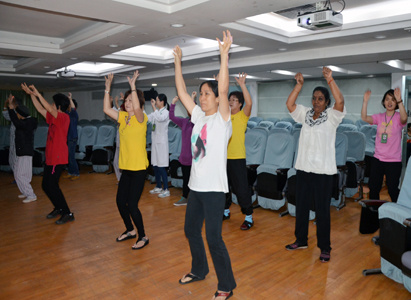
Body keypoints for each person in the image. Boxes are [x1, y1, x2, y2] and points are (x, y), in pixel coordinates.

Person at [173, 30, 236, 300]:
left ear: (218, 99)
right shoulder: (198, 116)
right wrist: (178, 62)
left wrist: (224, 55)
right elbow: (180, 91)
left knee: (214, 239)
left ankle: (226, 286)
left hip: (213, 190)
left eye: (207, 93)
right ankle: (199, 269)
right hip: (196, 187)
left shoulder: (223, 120)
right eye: (201, 94)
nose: (202, 97)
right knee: (190, 231)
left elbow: (223, 88)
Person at [285, 67, 345, 263]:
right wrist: (298, 86)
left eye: (320, 99)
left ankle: (325, 247)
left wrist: (330, 80)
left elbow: (341, 101)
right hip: (303, 168)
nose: (316, 101)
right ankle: (301, 240)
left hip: (323, 172)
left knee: (322, 212)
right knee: (301, 207)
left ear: (326, 102)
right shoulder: (305, 114)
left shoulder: (332, 117)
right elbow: (290, 104)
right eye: (314, 98)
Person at [103, 71, 150, 250]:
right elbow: (107, 110)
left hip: (138, 169)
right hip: (126, 168)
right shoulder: (123, 117)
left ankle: (143, 236)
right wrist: (107, 89)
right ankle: (130, 230)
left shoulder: (141, 118)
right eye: (127, 100)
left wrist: (133, 87)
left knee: (132, 204)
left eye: (131, 100)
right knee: (120, 202)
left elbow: (138, 109)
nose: (127, 103)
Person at [22, 83, 74, 224]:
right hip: (50, 157)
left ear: (57, 106)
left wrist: (38, 93)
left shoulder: (64, 118)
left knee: (52, 185)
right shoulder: (53, 117)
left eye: (52, 103)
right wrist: (32, 95)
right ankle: (58, 208)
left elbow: (48, 108)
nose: (50, 104)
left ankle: (67, 212)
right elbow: (40, 108)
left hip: (58, 157)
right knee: (46, 185)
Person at [361, 88, 407, 202]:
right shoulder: (379, 117)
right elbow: (364, 118)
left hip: (394, 161)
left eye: (392, 100)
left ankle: (398, 214)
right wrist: (365, 102)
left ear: (396, 103)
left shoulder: (398, 117)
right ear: (383, 102)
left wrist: (400, 101)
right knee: (374, 189)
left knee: (392, 190)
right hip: (378, 159)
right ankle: (374, 216)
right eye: (387, 99)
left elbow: (404, 118)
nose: (389, 102)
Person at [223, 72, 254, 230]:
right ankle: (226, 210)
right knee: (224, 188)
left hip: (237, 158)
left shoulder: (242, 117)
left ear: (239, 104)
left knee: (241, 189)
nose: (230, 102)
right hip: (223, 158)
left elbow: (249, 103)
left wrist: (242, 85)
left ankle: (248, 216)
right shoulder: (225, 117)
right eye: (229, 100)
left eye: (234, 100)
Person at [7, 100, 38, 203]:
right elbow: (17, 121)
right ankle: (25, 192)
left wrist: (11, 109)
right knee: (20, 173)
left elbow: (16, 122)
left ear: (21, 115)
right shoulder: (28, 121)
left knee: (20, 175)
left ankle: (31, 194)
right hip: (23, 152)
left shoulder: (26, 123)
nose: (16, 115)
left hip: (25, 152)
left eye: (17, 114)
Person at [169, 93, 195, 206]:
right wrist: (173, 104)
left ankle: (194, 200)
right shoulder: (184, 121)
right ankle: (185, 197)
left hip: (194, 158)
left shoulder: (197, 123)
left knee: (193, 180)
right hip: (184, 157)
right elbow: (172, 117)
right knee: (186, 179)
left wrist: (193, 99)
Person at [147, 94, 170, 198]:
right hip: (155, 142)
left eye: (156, 100)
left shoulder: (166, 113)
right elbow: (147, 118)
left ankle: (166, 189)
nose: (155, 102)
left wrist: (153, 108)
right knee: (155, 165)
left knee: (161, 166)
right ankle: (158, 186)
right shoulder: (155, 112)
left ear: (162, 102)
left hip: (162, 143)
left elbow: (160, 119)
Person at [63, 92, 80, 181]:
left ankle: (76, 173)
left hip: (72, 138)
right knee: (68, 157)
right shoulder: (67, 113)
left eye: (68, 105)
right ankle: (70, 172)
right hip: (67, 138)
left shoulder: (74, 114)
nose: (68, 106)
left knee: (71, 157)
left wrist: (70, 99)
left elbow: (73, 108)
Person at [2, 94, 18, 177]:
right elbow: (6, 114)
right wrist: (5, 103)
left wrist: (11, 103)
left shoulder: (19, 113)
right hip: (12, 142)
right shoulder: (12, 113)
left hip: (18, 142)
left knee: (16, 160)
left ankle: (18, 177)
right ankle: (16, 176)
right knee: (11, 160)